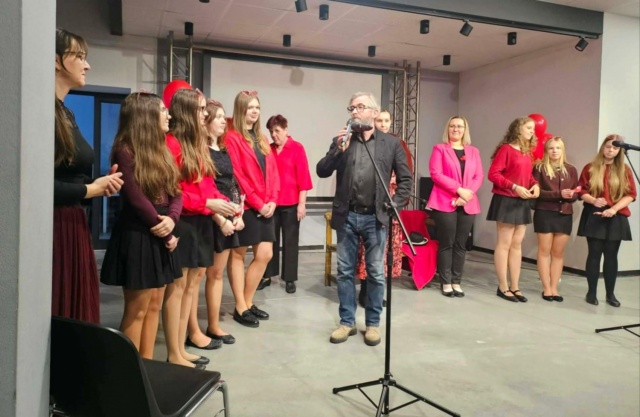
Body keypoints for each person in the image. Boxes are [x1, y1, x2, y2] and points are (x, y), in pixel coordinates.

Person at [317, 92, 412, 346]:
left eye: (360, 107)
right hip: (347, 216)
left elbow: (406, 180)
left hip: (375, 217)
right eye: (352, 108)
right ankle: (347, 322)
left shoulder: (391, 144)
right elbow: (322, 170)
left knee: (375, 273)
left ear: (374, 112)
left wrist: (394, 204)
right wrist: (337, 151)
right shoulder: (342, 141)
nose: (355, 111)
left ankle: (372, 324)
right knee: (345, 271)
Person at [100, 92, 181, 358]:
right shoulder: (125, 150)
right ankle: (130, 374)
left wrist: (172, 220)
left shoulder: (161, 148)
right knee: (137, 310)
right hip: (139, 233)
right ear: (146, 115)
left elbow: (176, 192)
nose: (168, 115)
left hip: (161, 229)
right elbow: (136, 199)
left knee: (155, 303)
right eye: (163, 110)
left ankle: (147, 366)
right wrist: (165, 231)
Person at [53, 28, 123, 323]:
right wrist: (90, 190)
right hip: (56, 227)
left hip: (72, 221)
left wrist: (97, 185)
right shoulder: (43, 111)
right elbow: (36, 184)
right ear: (56, 61)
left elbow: (67, 175)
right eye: (80, 57)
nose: (87, 65)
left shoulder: (64, 113)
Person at [166, 88, 236, 367]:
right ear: (186, 112)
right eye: (201, 109)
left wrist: (224, 205)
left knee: (191, 284)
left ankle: (181, 348)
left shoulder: (195, 145)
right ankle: (174, 352)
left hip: (200, 220)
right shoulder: (172, 144)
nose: (205, 113)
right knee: (178, 287)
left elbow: (206, 185)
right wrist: (210, 204)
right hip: (185, 221)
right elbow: (174, 192)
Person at [225, 90, 279, 327]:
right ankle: (240, 305)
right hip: (246, 204)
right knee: (238, 254)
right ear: (241, 110)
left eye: (257, 107)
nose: (255, 111)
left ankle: (247, 301)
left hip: (267, 204)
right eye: (250, 107)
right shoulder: (232, 137)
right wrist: (258, 202)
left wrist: (273, 200)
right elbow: (237, 175)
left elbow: (273, 172)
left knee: (265, 254)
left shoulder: (262, 138)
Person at [355, 109, 411, 307]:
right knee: (367, 250)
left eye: (387, 120)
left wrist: (398, 200)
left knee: (385, 252)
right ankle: (365, 291)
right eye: (380, 120)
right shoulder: (366, 143)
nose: (384, 124)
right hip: (371, 206)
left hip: (390, 205)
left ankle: (378, 292)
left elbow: (406, 175)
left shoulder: (397, 144)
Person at [427, 116, 484, 297]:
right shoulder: (440, 149)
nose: (456, 129)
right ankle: (446, 282)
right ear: (448, 129)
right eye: (452, 126)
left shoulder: (474, 151)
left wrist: (466, 195)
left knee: (461, 244)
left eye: (459, 126)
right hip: (444, 202)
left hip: (468, 202)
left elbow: (479, 176)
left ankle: (456, 281)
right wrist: (459, 190)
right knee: (447, 243)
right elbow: (436, 174)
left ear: (465, 129)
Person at [577, 135, 636, 307]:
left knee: (611, 256)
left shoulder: (625, 170)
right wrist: (593, 200)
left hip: (616, 215)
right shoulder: (590, 167)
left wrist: (614, 209)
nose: (611, 150)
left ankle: (610, 294)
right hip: (595, 214)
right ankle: (591, 292)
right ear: (603, 147)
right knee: (594, 254)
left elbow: (631, 194)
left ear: (620, 151)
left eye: (615, 148)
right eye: (608, 146)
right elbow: (581, 191)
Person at [202, 99, 243, 345]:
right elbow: (205, 189)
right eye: (218, 117)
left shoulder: (224, 149)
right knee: (208, 274)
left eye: (223, 117)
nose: (222, 121)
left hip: (228, 213)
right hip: (211, 215)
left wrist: (238, 214)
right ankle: (201, 327)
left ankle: (214, 325)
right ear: (206, 121)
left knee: (218, 274)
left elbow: (232, 184)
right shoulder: (201, 150)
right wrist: (219, 219)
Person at [487, 116, 540, 303]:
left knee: (517, 244)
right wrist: (515, 187)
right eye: (528, 128)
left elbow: (528, 176)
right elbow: (493, 174)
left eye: (533, 128)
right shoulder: (506, 149)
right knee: (504, 244)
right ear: (518, 129)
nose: (532, 131)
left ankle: (515, 286)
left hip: (521, 201)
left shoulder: (527, 152)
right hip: (507, 200)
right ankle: (503, 286)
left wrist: (535, 185)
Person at [259, 114, 313, 294]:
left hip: (291, 203)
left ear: (285, 129)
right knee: (270, 241)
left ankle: (289, 278)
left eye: (277, 130)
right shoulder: (269, 149)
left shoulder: (297, 148)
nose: (274, 135)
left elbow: (304, 177)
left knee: (290, 242)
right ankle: (267, 275)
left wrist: (302, 204)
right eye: (271, 131)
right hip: (272, 204)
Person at [532, 137, 579, 302]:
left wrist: (572, 195)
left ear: (562, 150)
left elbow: (577, 193)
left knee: (558, 253)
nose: (554, 151)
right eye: (551, 148)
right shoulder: (539, 167)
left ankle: (554, 288)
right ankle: (546, 288)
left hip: (564, 214)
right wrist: (559, 194)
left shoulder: (571, 169)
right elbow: (536, 192)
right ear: (546, 150)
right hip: (545, 213)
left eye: (558, 148)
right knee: (544, 252)